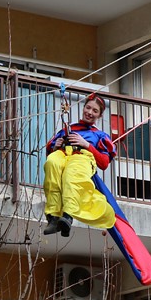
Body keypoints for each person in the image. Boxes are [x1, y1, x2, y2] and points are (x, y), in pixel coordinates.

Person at [42, 94, 117, 236]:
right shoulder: (68, 130)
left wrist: (86, 145)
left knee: (72, 173)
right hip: (64, 154)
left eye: (95, 111)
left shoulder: (100, 136)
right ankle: (53, 216)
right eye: (88, 108)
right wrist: (56, 147)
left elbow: (104, 163)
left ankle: (68, 215)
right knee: (52, 163)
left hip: (82, 157)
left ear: (99, 116)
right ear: (83, 108)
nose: (90, 112)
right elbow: (50, 154)